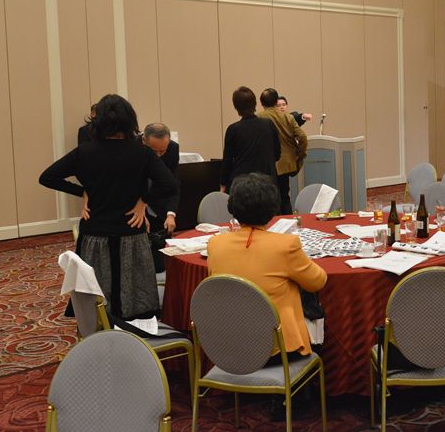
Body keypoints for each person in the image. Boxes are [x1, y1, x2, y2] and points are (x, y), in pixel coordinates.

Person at [39, 94, 178, 320]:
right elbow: (169, 185)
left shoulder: (84, 152)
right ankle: (133, 329)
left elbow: (47, 177)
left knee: (97, 296)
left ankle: (99, 325)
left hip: (95, 232)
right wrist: (143, 200)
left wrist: (82, 192)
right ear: (130, 120)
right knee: (135, 299)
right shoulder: (141, 152)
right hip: (130, 230)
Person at [207, 173, 327, 357]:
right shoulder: (286, 245)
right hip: (278, 349)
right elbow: (317, 281)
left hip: (229, 349)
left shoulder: (215, 244)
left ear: (232, 208)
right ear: (272, 208)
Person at [220, 86, 280, 193]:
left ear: (236, 107)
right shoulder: (268, 124)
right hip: (268, 184)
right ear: (255, 103)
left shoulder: (233, 129)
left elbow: (227, 162)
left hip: (242, 186)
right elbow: (277, 155)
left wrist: (223, 184)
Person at [258, 88, 308, 215]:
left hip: (266, 165)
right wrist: (300, 154)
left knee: (270, 199)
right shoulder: (288, 117)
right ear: (276, 101)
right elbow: (302, 137)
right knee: (284, 197)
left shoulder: (259, 118)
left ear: (262, 103)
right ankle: (288, 222)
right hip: (285, 164)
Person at [142, 123, 180, 273]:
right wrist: (140, 208)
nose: (158, 156)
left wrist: (171, 214)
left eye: (162, 151)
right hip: (135, 210)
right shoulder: (133, 148)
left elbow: (173, 186)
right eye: (154, 151)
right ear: (144, 141)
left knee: (161, 266)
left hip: (159, 207)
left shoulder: (173, 149)